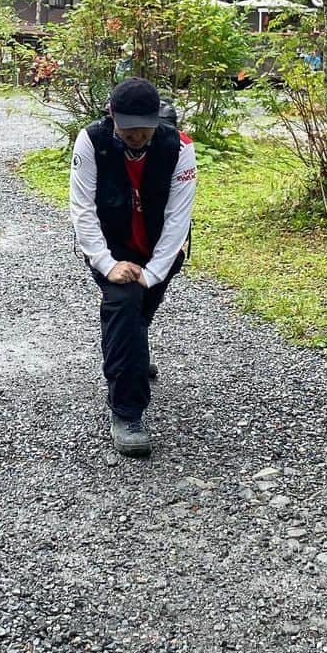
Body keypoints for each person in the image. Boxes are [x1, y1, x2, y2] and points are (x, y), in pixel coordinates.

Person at [69, 77, 197, 458]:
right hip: (112, 246)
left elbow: (178, 216)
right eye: (129, 127)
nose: (137, 134)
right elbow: (82, 208)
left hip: (161, 249)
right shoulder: (91, 142)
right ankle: (127, 411)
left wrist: (154, 272)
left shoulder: (180, 148)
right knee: (123, 306)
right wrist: (107, 264)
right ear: (112, 115)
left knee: (139, 313)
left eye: (145, 126)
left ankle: (134, 354)